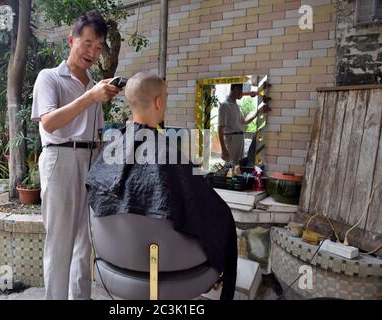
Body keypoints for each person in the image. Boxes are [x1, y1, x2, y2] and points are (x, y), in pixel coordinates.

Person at [86, 72, 238, 300]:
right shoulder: (170, 154)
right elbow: (211, 213)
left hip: (113, 261)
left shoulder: (110, 151)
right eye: (165, 97)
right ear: (159, 102)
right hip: (167, 262)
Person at [31, 11, 121, 300]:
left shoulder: (94, 84)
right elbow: (48, 122)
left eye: (98, 47)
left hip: (90, 159)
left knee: (86, 239)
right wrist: (91, 97)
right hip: (60, 158)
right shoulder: (49, 78)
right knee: (60, 241)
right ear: (71, 40)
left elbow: (96, 133)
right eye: (87, 43)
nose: (93, 52)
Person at [218, 84, 266, 163]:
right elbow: (220, 128)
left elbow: (244, 122)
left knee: (238, 166)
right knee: (230, 166)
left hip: (240, 138)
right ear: (236, 89)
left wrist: (257, 112)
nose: (242, 93)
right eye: (241, 90)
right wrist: (223, 149)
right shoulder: (225, 105)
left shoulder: (236, 106)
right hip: (231, 139)